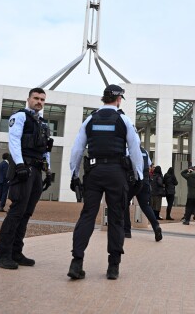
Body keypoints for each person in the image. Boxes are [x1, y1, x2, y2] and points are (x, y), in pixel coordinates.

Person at [67, 84, 143, 281]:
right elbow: (135, 149)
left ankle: (76, 262)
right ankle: (113, 266)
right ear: (118, 99)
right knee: (117, 217)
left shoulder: (90, 119)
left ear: (103, 98)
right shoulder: (123, 119)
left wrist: (74, 173)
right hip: (116, 173)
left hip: (94, 172)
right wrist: (139, 174)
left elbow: (77, 148)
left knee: (87, 215)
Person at [0, 88, 53, 270]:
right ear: (28, 99)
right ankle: (2, 254)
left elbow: (45, 149)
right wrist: (19, 164)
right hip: (24, 167)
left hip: (36, 169)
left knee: (27, 212)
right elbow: (14, 140)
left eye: (42, 99)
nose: (39, 102)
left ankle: (16, 252)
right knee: (17, 210)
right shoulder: (19, 117)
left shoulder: (41, 123)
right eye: (36, 98)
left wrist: (48, 171)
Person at [123, 146, 162, 241]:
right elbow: (149, 165)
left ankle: (127, 231)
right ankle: (156, 226)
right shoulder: (145, 151)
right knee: (145, 205)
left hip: (132, 181)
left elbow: (124, 164)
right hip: (144, 180)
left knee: (124, 203)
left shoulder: (128, 150)